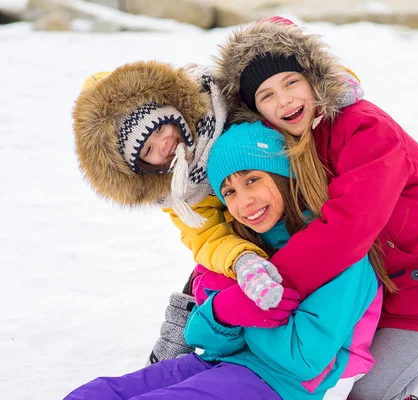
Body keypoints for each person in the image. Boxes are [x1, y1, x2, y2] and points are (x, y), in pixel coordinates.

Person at [212, 18, 418, 399]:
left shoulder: (364, 128)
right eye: (266, 95)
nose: (284, 101)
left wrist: (270, 282)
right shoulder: (290, 147)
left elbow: (347, 228)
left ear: (314, 77)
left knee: (369, 394)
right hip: (384, 282)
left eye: (291, 82)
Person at [64, 121, 385, 400]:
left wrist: (240, 321)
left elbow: (304, 361)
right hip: (214, 362)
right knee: (97, 393)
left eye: (252, 179)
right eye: (228, 192)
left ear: (282, 174)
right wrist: (224, 310)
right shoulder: (245, 251)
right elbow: (199, 337)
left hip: (276, 386)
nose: (243, 201)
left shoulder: (341, 253)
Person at [72, 59, 366, 364]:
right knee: (210, 267)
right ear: (141, 168)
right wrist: (242, 259)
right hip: (247, 227)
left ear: (170, 107)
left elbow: (279, 61)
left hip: (296, 188)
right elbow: (207, 236)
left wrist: (331, 87)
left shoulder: (220, 100)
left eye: (158, 127)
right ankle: (183, 334)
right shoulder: (175, 189)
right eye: (146, 150)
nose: (163, 145)